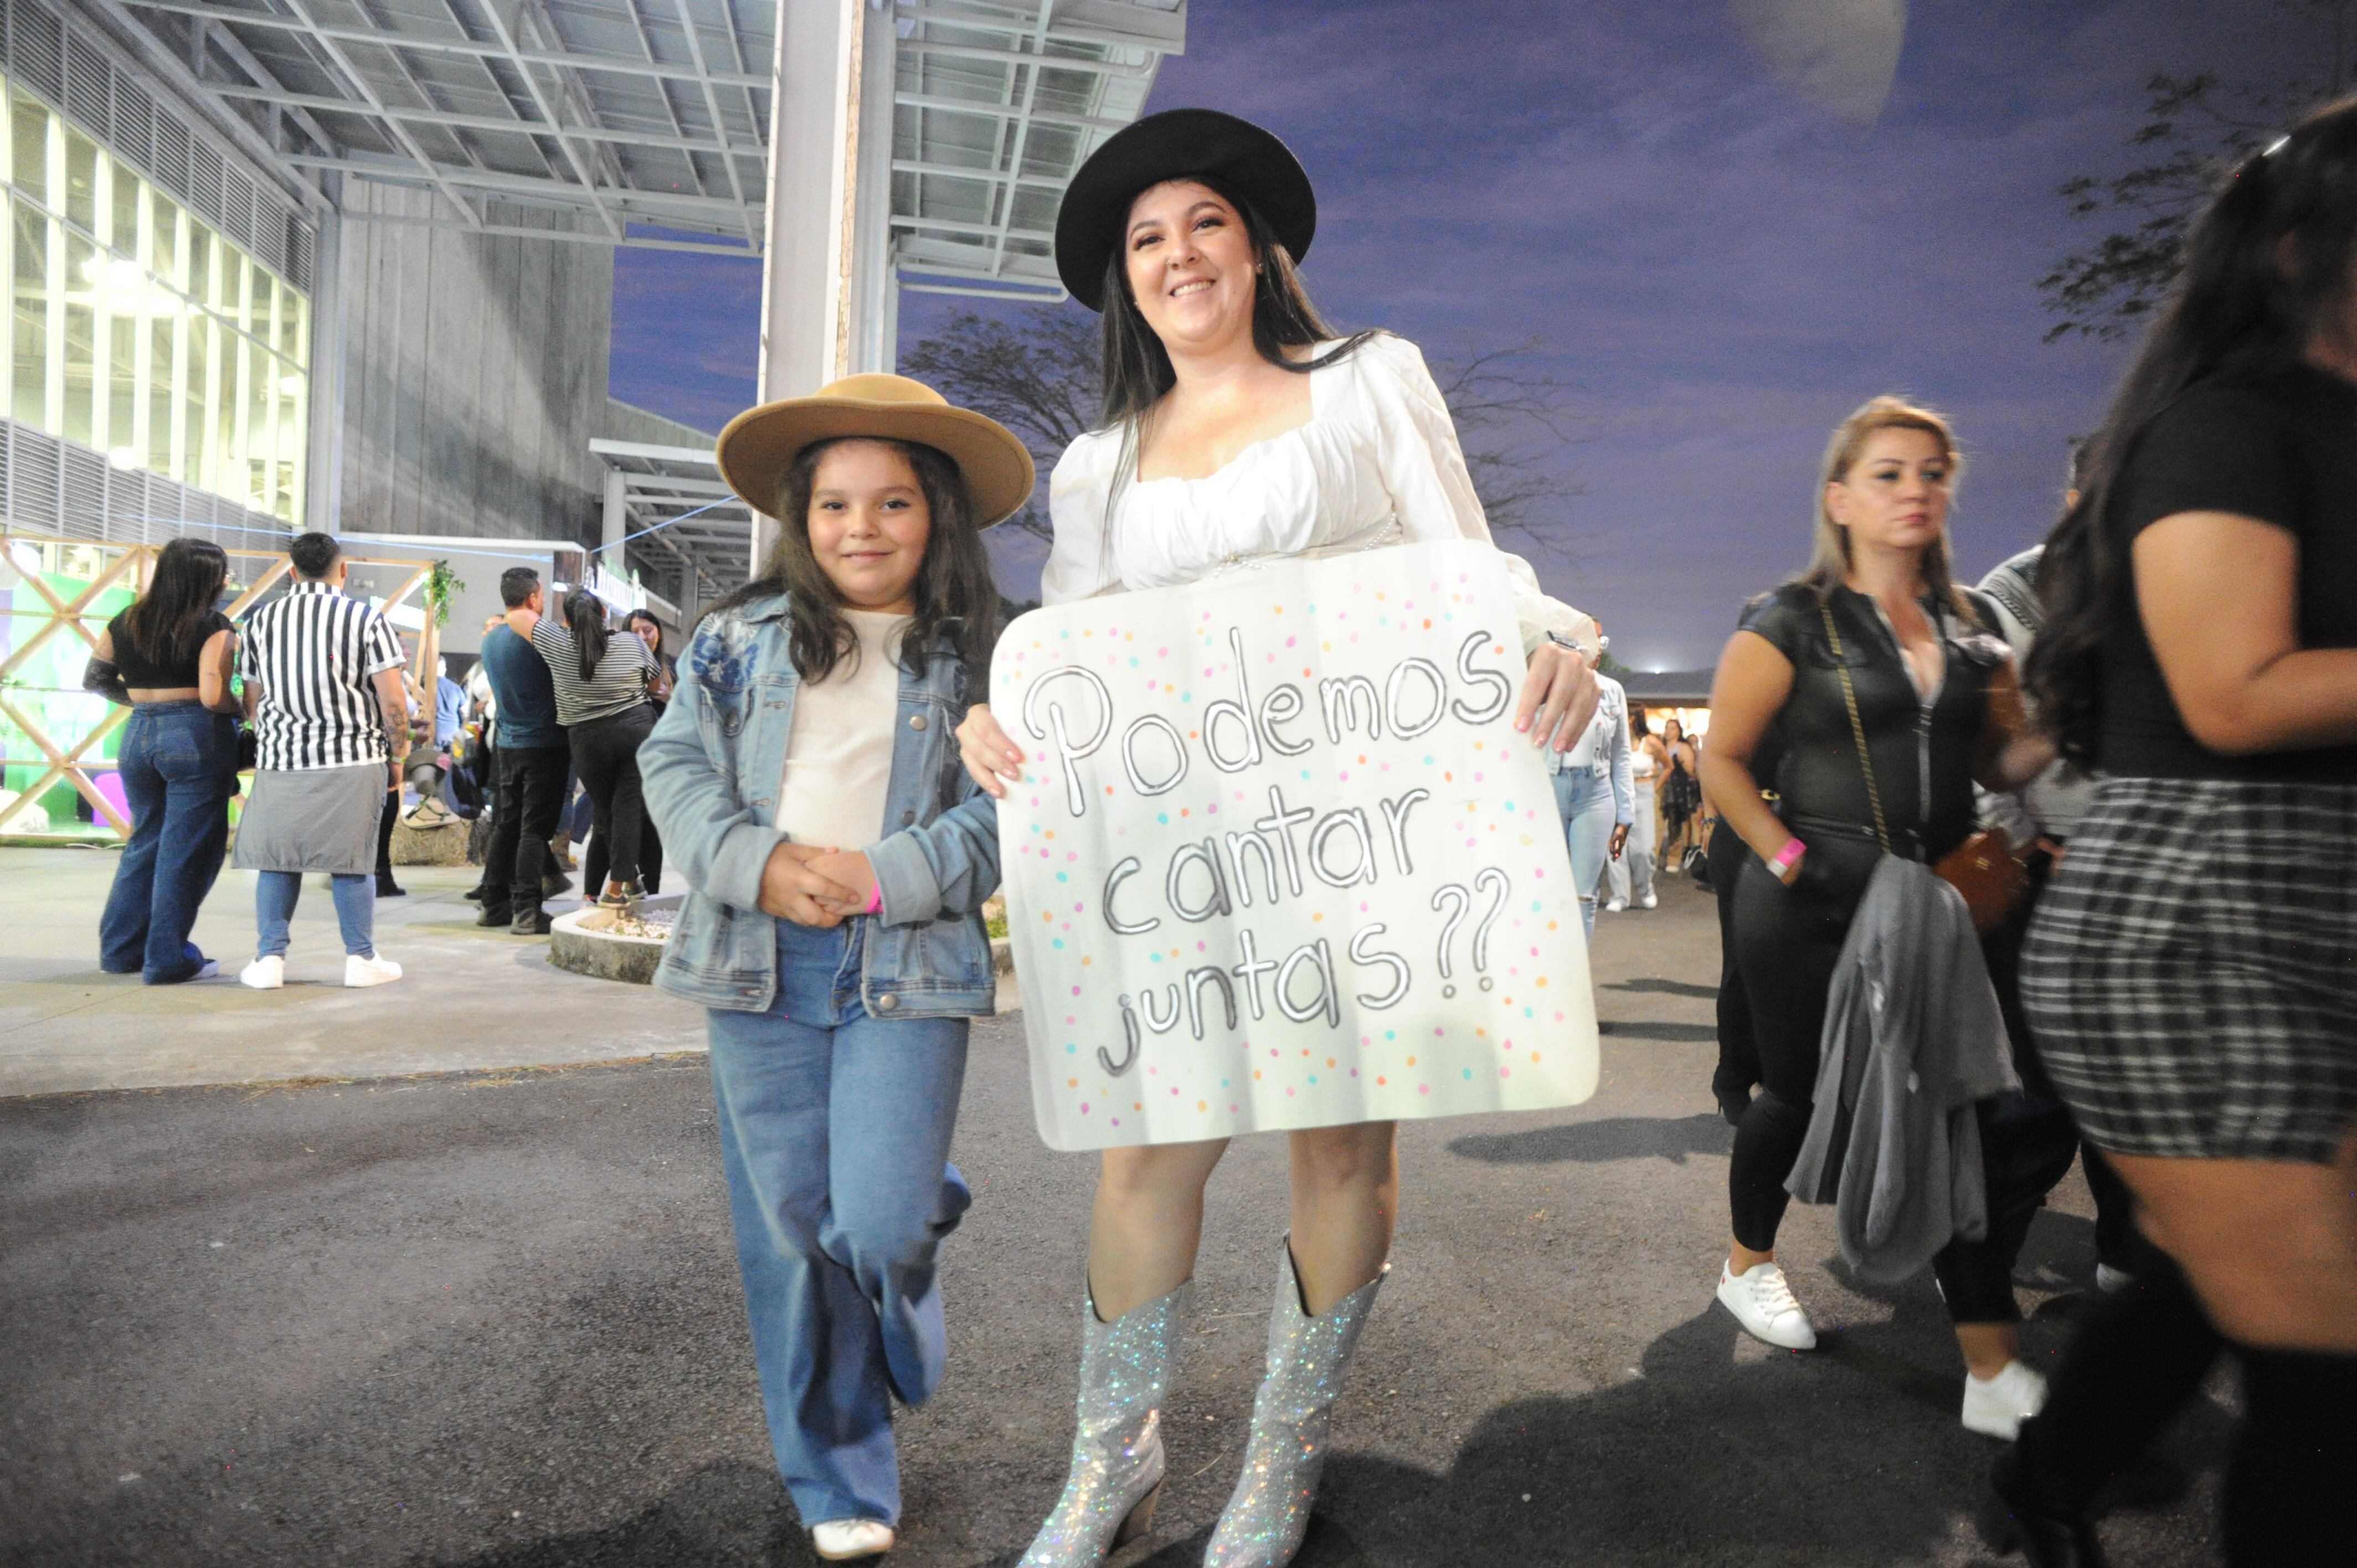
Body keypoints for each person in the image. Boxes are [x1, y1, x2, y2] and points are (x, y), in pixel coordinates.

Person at [947, 109, 1602, 1568]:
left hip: (1360, 833)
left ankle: (1278, 1464)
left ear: (1258, 249)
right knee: (1145, 1156)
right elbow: (1079, 655)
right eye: (1147, 238)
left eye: (1204, 224)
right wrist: (1002, 726)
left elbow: (1463, 560)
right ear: (1128, 280)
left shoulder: (1371, 380)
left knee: (1336, 1145)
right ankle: (1111, 1463)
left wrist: (1559, 639)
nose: (1178, 255)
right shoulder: (1098, 468)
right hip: (1189, 851)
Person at [1990, 99, 2357, 1568]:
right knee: (2328, 1366)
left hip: (2318, 907)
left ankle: (2049, 1470)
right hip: (2199, 928)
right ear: (2296, 250)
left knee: (2242, 1283)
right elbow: (2236, 688)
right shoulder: (2230, 425)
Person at [639, 372, 1024, 1563]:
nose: (863, 528)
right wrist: (755, 862)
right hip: (759, 962)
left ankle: (907, 1203)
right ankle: (838, 1480)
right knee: (795, 1235)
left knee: (878, 1220)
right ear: (799, 523)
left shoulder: (992, 661)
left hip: (905, 962)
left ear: (937, 516)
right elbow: (674, 771)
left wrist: (881, 877)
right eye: (835, 506)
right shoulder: (732, 642)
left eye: (894, 503)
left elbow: (1012, 816)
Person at [1699, 399, 2056, 1437]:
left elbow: (1998, 764)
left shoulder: (1975, 629)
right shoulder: (1790, 620)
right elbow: (1723, 759)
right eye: (1889, 473)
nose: (1915, 491)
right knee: (1800, 1096)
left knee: (1957, 1109)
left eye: (1932, 473)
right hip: (1810, 895)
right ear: (1839, 497)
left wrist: (2063, 723)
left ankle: (1989, 1365)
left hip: (1938, 901)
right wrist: (1788, 855)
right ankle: (1748, 1264)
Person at [231, 532, 409, 988]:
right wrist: (398, 755)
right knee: (352, 860)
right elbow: (393, 702)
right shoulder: (366, 620)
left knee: (278, 859)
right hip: (354, 757)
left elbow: (254, 701)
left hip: (282, 758)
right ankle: (361, 960)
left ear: (292, 572)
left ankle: (269, 961)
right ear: (342, 569)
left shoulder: (260, 621)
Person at [86, 537, 242, 984]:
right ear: (206, 578)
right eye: (222, 572)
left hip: (138, 736)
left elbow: (95, 678)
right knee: (186, 851)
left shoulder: (127, 620)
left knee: (145, 843)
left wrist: (145, 702)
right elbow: (214, 696)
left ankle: (119, 953)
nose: (227, 578)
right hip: (196, 737)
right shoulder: (214, 625)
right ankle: (166, 958)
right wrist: (244, 710)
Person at [508, 587, 657, 908]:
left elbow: (515, 616)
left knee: (607, 813)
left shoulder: (557, 642)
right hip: (636, 731)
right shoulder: (631, 642)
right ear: (604, 614)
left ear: (566, 619)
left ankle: (626, 882)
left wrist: (560, 629)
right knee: (628, 809)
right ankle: (617, 888)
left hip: (588, 740)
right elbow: (654, 682)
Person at [476, 568, 571, 934]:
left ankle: (492, 903)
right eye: (542, 595)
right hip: (544, 744)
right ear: (533, 598)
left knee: (507, 825)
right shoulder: (539, 639)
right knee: (534, 831)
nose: (544, 601)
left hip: (508, 744)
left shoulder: (492, 640)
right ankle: (528, 910)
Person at [1551, 656, 1633, 939]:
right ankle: (1546, 971)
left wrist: (1625, 817)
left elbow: (1622, 755)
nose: (1596, 647)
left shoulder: (1612, 690)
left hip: (1596, 792)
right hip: (1550, 788)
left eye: (1601, 640)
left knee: (1584, 896)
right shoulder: (1545, 680)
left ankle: (1575, 978)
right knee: (1546, 889)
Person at [1604, 700, 1663, 912]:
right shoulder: (1614, 740)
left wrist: (1655, 787)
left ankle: (1646, 888)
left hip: (1644, 795)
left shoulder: (1652, 742)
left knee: (1644, 850)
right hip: (1618, 793)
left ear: (1633, 718)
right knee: (1616, 846)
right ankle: (1620, 896)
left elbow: (1669, 766)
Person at [1660, 717, 1704, 862]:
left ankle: (1684, 853)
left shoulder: (1683, 748)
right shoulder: (1661, 747)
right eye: (1667, 728)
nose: (1669, 731)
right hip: (1661, 788)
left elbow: (1690, 771)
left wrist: (1677, 765)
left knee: (1681, 822)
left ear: (1679, 731)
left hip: (1679, 790)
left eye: (1672, 728)